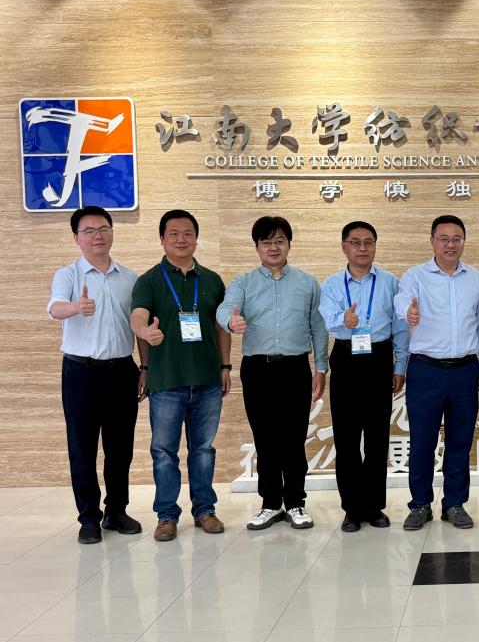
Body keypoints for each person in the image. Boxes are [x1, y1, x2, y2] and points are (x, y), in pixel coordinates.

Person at [216, 216, 328, 531]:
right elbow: (224, 309)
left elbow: (318, 326)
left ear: (289, 244)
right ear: (257, 247)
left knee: (294, 437)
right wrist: (231, 322)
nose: (273, 247)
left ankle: (295, 503)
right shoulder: (244, 283)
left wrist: (321, 367)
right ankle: (270, 504)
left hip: (295, 367)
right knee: (264, 437)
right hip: (257, 369)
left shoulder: (307, 283)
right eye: (267, 242)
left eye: (280, 240)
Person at [48, 206, 147, 544]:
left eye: (103, 228)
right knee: (82, 448)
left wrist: (144, 367)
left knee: (121, 448)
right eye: (88, 231)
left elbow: (139, 327)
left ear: (112, 232)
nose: (97, 236)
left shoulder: (130, 278)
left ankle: (116, 511)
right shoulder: (68, 275)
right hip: (80, 372)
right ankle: (88, 517)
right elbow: (55, 308)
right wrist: (76, 308)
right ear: (76, 238)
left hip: (122, 371)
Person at [130, 209, 231, 542]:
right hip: (167, 380)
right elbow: (138, 316)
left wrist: (225, 366)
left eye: (188, 233)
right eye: (173, 234)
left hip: (207, 380)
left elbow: (222, 327)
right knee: (164, 452)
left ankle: (205, 511)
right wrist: (144, 332)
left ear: (196, 239)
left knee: (203, 450)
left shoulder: (212, 280)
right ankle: (166, 516)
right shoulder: (149, 280)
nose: (181, 239)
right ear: (162, 239)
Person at [395, 215, 479, 531]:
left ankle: (454, 503)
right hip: (426, 369)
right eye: (444, 238)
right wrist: (408, 312)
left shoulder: (475, 278)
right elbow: (401, 300)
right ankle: (420, 504)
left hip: (465, 369)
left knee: (460, 441)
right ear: (432, 241)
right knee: (422, 440)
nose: (450, 244)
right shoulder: (415, 276)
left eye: (456, 238)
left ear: (463, 241)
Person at [320, 221, 408, 532]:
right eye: (355, 242)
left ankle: (373, 506)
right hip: (345, 357)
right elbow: (327, 319)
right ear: (344, 247)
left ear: (375, 246)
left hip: (379, 358)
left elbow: (400, 327)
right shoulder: (332, 284)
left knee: (376, 437)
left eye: (368, 242)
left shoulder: (390, 282)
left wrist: (400, 366)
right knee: (346, 439)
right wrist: (343, 319)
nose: (362, 248)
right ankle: (352, 508)